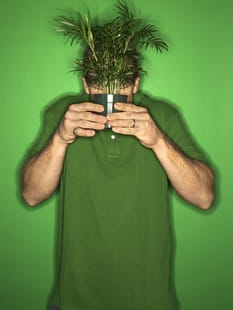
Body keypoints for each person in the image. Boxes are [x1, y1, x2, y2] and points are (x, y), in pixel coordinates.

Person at [22, 74, 215, 310]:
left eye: (121, 80)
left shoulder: (162, 114)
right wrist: (60, 137)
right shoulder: (64, 112)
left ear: (136, 82)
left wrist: (158, 141)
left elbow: (204, 197)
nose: (110, 90)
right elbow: (32, 195)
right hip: (73, 299)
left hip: (148, 300)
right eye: (98, 81)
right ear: (85, 83)